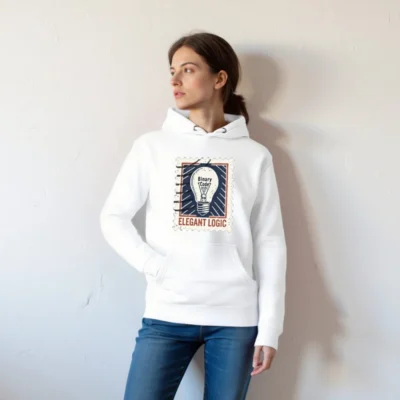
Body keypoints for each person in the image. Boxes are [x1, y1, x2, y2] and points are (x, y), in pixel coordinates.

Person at [99, 31, 287, 400]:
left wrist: (270, 328)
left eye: (187, 70)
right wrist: (156, 266)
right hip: (166, 314)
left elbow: (270, 242)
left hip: (234, 320)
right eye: (172, 71)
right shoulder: (152, 146)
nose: (175, 80)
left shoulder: (254, 155)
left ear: (219, 78)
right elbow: (113, 217)